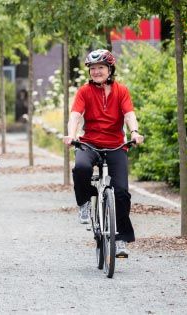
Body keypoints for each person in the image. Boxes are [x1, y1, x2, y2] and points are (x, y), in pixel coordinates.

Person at [63, 49, 144, 258]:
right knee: (81, 168)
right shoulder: (84, 92)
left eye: (101, 67)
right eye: (93, 68)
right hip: (89, 143)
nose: (96, 72)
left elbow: (129, 114)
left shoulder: (122, 91)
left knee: (121, 193)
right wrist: (71, 135)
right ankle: (84, 202)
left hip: (116, 145)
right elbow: (75, 115)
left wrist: (134, 132)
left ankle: (122, 239)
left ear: (110, 69)